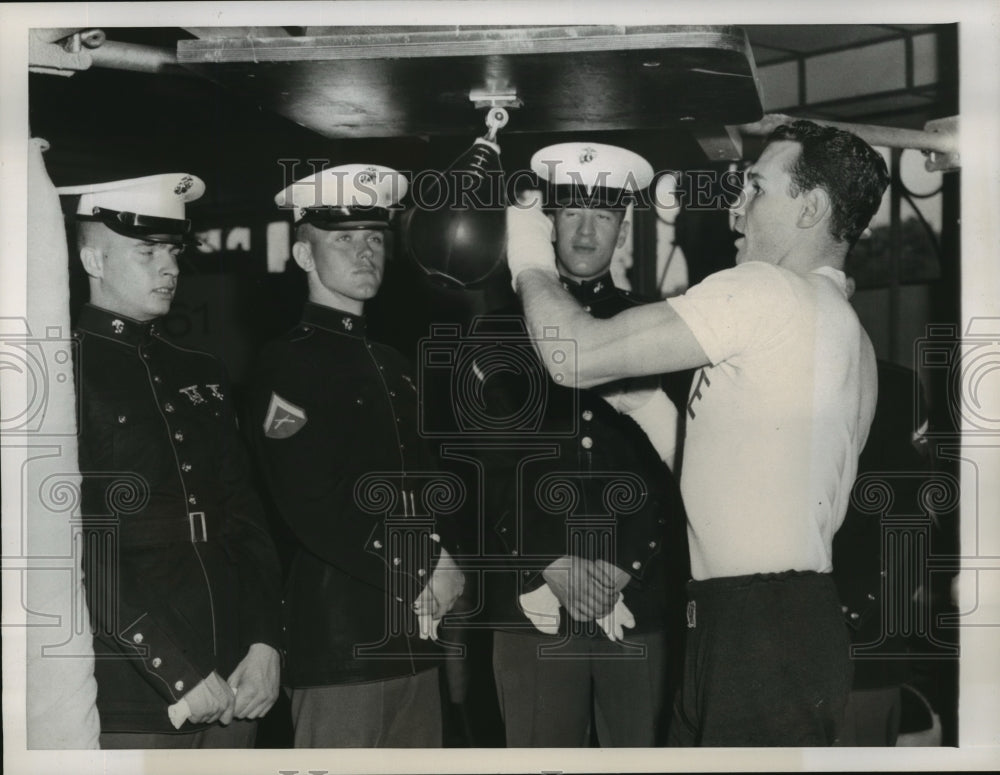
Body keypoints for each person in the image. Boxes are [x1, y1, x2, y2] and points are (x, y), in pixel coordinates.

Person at [505, 120, 890, 746]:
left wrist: (528, 260)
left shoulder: (763, 290)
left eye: (757, 189)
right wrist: (646, 404)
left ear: (810, 208)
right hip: (773, 619)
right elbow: (738, 476)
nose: (735, 206)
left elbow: (569, 354)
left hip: (756, 627)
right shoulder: (849, 333)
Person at [471, 142, 689, 747]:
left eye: (605, 216)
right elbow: (479, 467)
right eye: (572, 213)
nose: (587, 229)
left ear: (623, 228)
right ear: (547, 222)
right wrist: (547, 554)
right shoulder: (495, 333)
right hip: (529, 596)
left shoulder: (660, 325)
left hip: (636, 595)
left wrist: (628, 563)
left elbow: (675, 463)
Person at [60, 173, 283, 748]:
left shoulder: (200, 370)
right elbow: (77, 543)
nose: (170, 268)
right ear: (93, 258)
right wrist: (173, 670)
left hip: (237, 673)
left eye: (173, 251)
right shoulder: (64, 371)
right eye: (147, 251)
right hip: (136, 681)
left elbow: (244, 515)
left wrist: (265, 642)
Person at [248, 165, 465, 748]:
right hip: (341, 638)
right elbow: (311, 501)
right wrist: (423, 565)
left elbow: (426, 485)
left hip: (416, 632)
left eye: (374, 237)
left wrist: (446, 558)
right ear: (302, 254)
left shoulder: (392, 362)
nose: (365, 251)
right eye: (342, 238)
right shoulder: (286, 362)